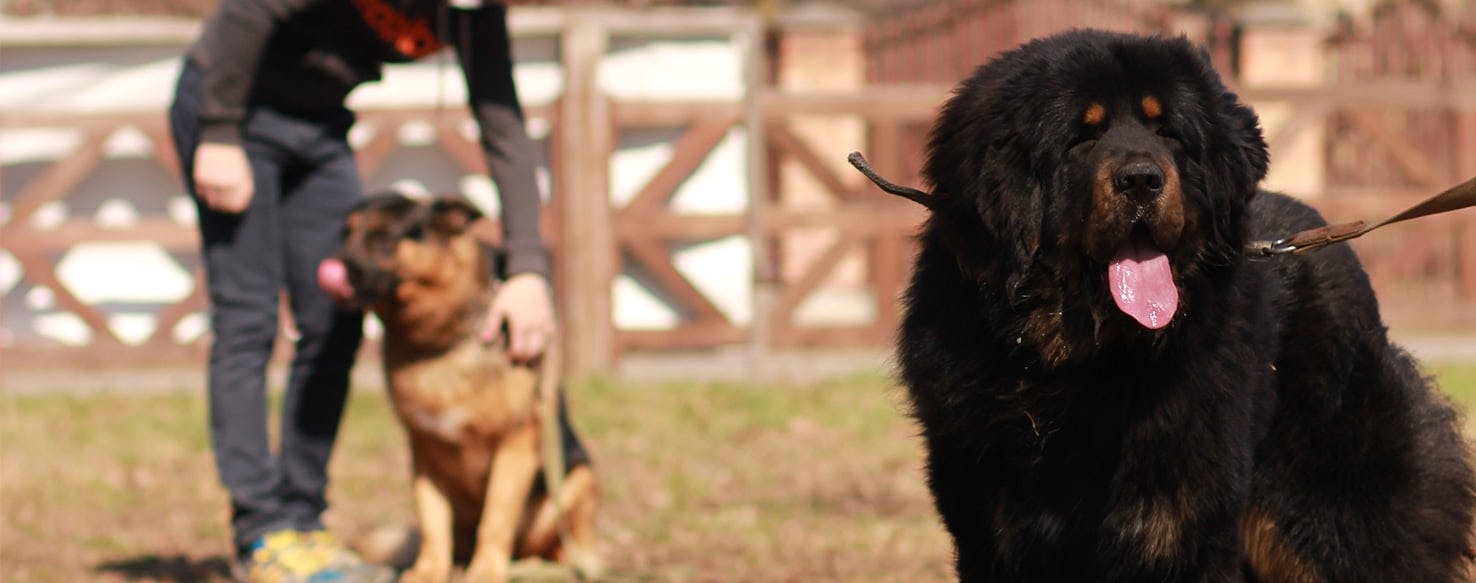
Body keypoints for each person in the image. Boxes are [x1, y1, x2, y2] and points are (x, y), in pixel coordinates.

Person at [167, 1, 555, 580]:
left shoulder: (477, 16)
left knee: (338, 313)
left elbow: (504, 128)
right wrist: (219, 131)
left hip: (318, 124)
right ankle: (262, 533)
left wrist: (527, 268)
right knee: (248, 318)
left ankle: (302, 520)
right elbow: (248, 11)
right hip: (233, 100)